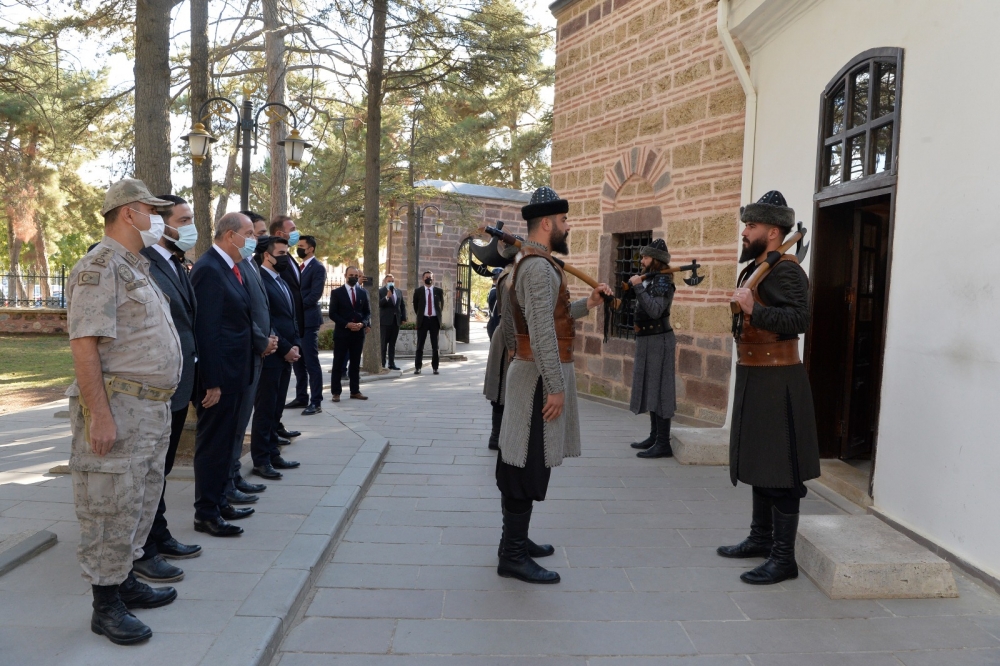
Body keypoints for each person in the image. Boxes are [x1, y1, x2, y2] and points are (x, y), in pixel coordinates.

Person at [66, 178, 182, 644]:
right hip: (121, 404)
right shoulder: (99, 266)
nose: (157, 218)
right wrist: (100, 415)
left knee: (139, 501)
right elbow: (84, 345)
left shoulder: (137, 267)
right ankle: (105, 605)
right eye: (151, 211)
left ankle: (126, 578)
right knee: (109, 506)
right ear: (130, 212)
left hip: (151, 407)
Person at [496, 186, 612, 584]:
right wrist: (555, 386)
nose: (568, 226)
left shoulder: (527, 263)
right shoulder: (539, 267)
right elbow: (542, 330)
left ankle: (515, 540)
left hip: (531, 372)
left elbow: (547, 319)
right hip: (538, 380)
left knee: (523, 461)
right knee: (525, 465)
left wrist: (588, 304)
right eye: (563, 221)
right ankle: (512, 555)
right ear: (546, 223)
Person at [717, 190, 821, 586]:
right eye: (746, 224)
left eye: (752, 225)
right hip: (755, 374)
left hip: (778, 379)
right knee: (761, 462)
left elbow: (801, 317)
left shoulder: (787, 270)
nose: (745, 232)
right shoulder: (758, 267)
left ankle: (783, 558)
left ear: (774, 232)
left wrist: (752, 309)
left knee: (781, 470)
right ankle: (760, 539)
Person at [134, 194, 202, 585]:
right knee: (151, 470)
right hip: (155, 385)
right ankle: (146, 546)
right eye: (185, 218)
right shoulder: (145, 263)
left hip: (179, 383)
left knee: (164, 466)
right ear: (161, 222)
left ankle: (158, 534)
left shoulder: (174, 264)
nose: (190, 226)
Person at [189, 212, 258, 538]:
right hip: (220, 378)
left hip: (235, 374)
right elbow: (206, 330)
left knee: (225, 443)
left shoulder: (231, 267)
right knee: (213, 445)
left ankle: (219, 502)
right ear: (230, 235)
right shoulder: (209, 270)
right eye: (248, 233)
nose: (252, 239)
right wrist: (211, 381)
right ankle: (206, 513)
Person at [221, 212, 276, 513]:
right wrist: (261, 341)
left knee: (241, 424)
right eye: (256, 233)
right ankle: (227, 482)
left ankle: (234, 477)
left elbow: (260, 308)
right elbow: (239, 316)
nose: (259, 239)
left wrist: (270, 338)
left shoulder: (250, 263)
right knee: (233, 425)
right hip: (245, 353)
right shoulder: (235, 265)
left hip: (257, 352)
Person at [251, 237, 302, 479]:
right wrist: (285, 348)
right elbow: (267, 321)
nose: (285, 257)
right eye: (281, 252)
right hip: (272, 354)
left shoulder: (281, 280)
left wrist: (297, 346)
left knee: (276, 408)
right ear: (267, 255)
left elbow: (291, 318)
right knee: (265, 408)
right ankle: (261, 459)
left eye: (286, 252)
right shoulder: (260, 280)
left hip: (286, 354)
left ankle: (273, 452)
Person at [627, 238, 677, 459]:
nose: (643, 260)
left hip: (659, 340)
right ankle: (654, 435)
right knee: (651, 387)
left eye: (646, 257)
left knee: (661, 389)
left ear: (655, 260)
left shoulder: (663, 281)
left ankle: (663, 443)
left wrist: (638, 287)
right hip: (647, 339)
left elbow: (656, 310)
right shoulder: (651, 280)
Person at [483, 249, 518, 451]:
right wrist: (512, 347)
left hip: (507, 338)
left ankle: (501, 435)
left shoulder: (512, 274)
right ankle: (496, 436)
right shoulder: (509, 277)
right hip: (506, 339)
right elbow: (507, 315)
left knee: (504, 389)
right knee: (501, 389)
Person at [292, 235, 326, 414]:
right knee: (298, 361)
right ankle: (301, 397)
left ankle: (316, 401)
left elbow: (315, 295)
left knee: (311, 362)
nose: (298, 248)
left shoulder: (317, 267)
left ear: (311, 248)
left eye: (301, 246)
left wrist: (295, 307)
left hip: (309, 321)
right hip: (296, 322)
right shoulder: (299, 267)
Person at [328, 266, 370, 401]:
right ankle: (336, 392)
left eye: (356, 276)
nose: (354, 277)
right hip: (342, 333)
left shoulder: (363, 293)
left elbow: (367, 312)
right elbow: (332, 313)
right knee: (338, 363)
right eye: (351, 275)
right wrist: (346, 324)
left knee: (355, 363)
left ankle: (355, 391)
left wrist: (362, 324)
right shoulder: (337, 293)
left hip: (358, 334)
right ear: (345, 275)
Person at [412, 270, 443, 375]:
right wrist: (421, 315)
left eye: (430, 277)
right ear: (423, 279)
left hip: (434, 320)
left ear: (433, 278)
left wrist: (437, 316)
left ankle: (435, 367)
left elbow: (441, 305)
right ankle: (418, 367)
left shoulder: (438, 291)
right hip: (423, 320)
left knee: (435, 346)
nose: (428, 278)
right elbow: (416, 307)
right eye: (426, 277)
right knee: (420, 345)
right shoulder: (418, 291)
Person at [378, 273, 406, 370]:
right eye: (389, 281)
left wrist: (403, 318)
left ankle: (391, 363)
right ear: (385, 281)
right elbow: (379, 304)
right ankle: (382, 363)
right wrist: (387, 297)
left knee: (392, 344)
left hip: (396, 321)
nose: (391, 282)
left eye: (392, 281)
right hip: (385, 321)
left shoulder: (398, 292)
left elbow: (402, 305)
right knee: (383, 343)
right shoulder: (381, 291)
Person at [486, 268, 502, 340]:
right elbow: (496, 313)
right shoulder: (496, 292)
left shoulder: (492, 291)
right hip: (495, 324)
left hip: (492, 324)